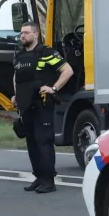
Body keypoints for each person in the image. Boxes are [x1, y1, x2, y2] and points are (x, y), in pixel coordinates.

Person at [12, 21, 73, 193]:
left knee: (44, 142)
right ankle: (38, 177)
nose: (22, 36)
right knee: (31, 143)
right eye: (21, 33)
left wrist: (54, 88)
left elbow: (68, 71)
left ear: (36, 34)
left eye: (26, 33)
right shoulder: (19, 55)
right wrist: (16, 95)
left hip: (42, 105)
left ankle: (48, 180)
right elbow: (16, 77)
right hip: (26, 106)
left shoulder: (47, 53)